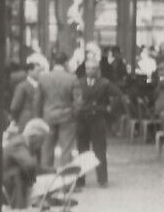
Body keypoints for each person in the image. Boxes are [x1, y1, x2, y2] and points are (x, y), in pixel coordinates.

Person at [74, 57, 126, 187]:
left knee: (100, 150)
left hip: (98, 118)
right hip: (82, 120)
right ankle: (80, 180)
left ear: (98, 70)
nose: (90, 71)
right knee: (82, 150)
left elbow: (118, 95)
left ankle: (102, 180)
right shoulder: (78, 83)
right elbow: (73, 99)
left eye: (93, 68)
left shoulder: (104, 83)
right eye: (88, 68)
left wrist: (109, 109)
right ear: (84, 70)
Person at [37, 53, 78, 170]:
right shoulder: (72, 78)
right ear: (65, 63)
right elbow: (78, 101)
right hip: (67, 117)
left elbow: (38, 100)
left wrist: (39, 116)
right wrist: (73, 113)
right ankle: (66, 183)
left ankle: (46, 181)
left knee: (47, 149)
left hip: (48, 116)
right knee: (66, 149)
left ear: (53, 63)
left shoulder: (43, 78)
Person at [2, 119, 52, 210]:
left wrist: (53, 171)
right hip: (14, 187)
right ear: (34, 137)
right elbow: (30, 166)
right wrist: (36, 182)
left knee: (47, 200)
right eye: (42, 140)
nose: (42, 144)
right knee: (46, 198)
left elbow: (33, 167)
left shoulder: (21, 143)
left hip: (16, 184)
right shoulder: (19, 144)